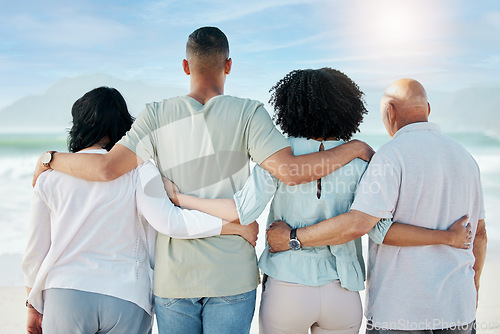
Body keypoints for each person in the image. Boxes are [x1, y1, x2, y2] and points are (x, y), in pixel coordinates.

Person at [31, 27, 375, 333]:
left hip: (174, 277)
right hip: (232, 273)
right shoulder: (248, 112)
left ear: (185, 66)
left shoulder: (155, 114)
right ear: (228, 65)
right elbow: (290, 171)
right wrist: (355, 148)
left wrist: (50, 160)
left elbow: (106, 170)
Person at [162, 69, 472, 334]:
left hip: (287, 287)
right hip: (343, 291)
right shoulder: (363, 161)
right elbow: (380, 231)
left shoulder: (279, 156)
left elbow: (243, 211)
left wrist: (180, 197)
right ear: (348, 109)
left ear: (290, 107)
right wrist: (445, 237)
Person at [22, 87, 257, 334]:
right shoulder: (140, 170)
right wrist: (229, 227)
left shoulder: (50, 177)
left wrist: (33, 305)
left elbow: (34, 253)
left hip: (66, 293)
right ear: (125, 126)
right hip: (126, 296)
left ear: (78, 126)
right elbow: (169, 222)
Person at [266, 78, 487, 334]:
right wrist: (474, 288)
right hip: (458, 307)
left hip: (401, 312)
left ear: (389, 111)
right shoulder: (466, 158)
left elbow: (359, 225)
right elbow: (479, 234)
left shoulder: (391, 156)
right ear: (427, 109)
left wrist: (292, 238)